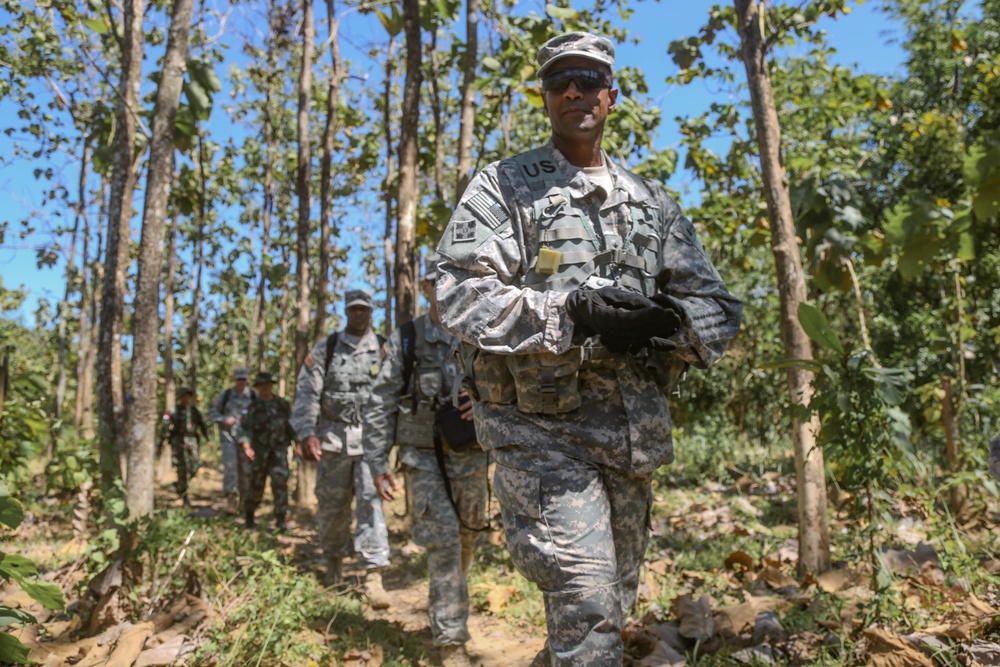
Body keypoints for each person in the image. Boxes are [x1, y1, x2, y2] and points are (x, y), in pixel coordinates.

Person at [434, 31, 743, 666]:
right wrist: (568, 311)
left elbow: (720, 309)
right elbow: (457, 295)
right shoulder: (506, 187)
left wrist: (664, 320)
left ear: (611, 93)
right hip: (539, 430)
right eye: (558, 80)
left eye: (587, 77)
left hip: (630, 435)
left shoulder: (651, 203)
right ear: (546, 96)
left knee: (609, 604)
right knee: (587, 599)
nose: (573, 89)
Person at [364, 253, 488, 667]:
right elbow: (380, 401)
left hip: (470, 453)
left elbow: (509, 386)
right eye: (440, 281)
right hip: (421, 456)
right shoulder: (406, 339)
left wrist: (486, 403)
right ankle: (450, 643)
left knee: (469, 533)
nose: (448, 288)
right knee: (445, 543)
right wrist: (379, 461)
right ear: (425, 288)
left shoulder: (480, 329)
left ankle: (449, 596)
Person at [291, 288, 392, 609]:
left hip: (371, 441)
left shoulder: (384, 347)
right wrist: (307, 432)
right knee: (332, 507)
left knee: (370, 503)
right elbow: (306, 391)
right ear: (346, 312)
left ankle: (373, 575)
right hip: (332, 440)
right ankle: (334, 563)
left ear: (371, 312)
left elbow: (398, 392)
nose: (358, 314)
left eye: (364, 309)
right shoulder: (327, 347)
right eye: (353, 310)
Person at [239, 371, 296, 532]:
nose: (265, 388)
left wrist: (298, 444)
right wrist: (247, 447)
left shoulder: (282, 405)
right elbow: (244, 429)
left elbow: (291, 426)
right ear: (257, 388)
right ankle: (249, 517)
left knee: (280, 484)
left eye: (268, 385)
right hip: (259, 452)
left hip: (278, 452)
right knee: (256, 485)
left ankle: (280, 520)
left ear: (272, 386)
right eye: (261, 385)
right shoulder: (252, 408)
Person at [208, 366, 256, 512]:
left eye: (244, 378)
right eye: (239, 379)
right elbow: (212, 411)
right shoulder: (226, 395)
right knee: (231, 468)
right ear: (234, 379)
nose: (241, 382)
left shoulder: (254, 396)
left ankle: (244, 502)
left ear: (248, 379)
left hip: (248, 440)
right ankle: (231, 500)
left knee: (246, 470)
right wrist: (223, 419)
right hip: (229, 439)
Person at [164, 387, 209, 506]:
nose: (185, 398)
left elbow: (202, 425)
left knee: (195, 465)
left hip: (192, 440)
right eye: (183, 396)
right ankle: (184, 494)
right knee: (182, 468)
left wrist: (208, 439)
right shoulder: (174, 410)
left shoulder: (194, 410)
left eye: (187, 396)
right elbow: (166, 426)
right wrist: (163, 441)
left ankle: (180, 484)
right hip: (179, 442)